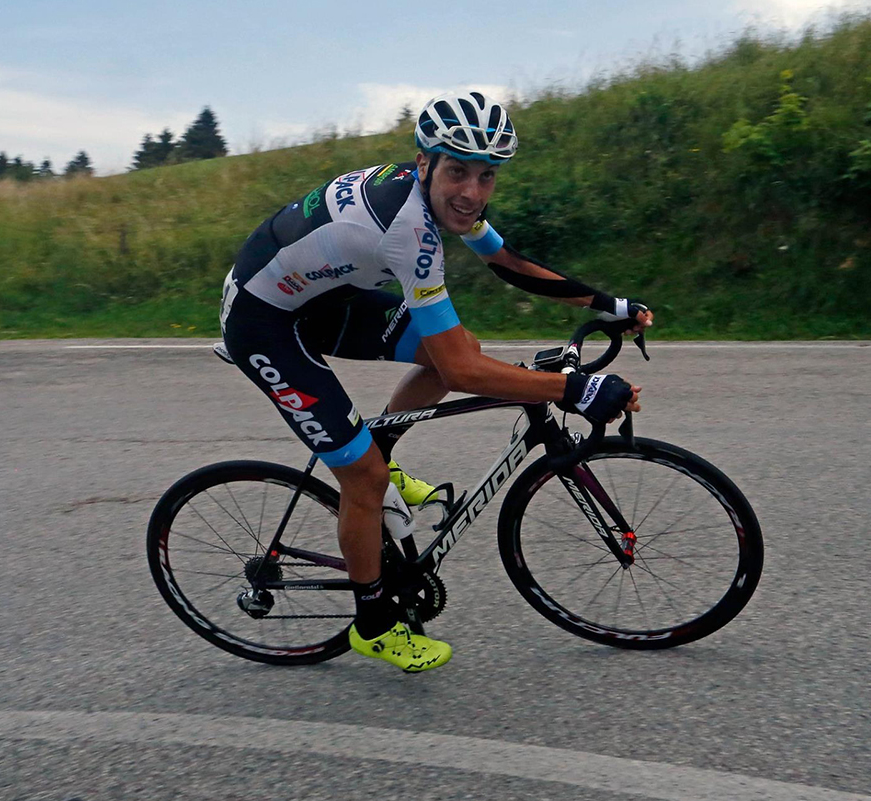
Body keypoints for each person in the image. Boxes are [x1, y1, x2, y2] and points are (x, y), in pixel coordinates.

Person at [217, 91, 651, 672]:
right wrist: (576, 391)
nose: (471, 192)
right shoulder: (410, 231)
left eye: (485, 176)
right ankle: (373, 623)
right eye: (457, 172)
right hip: (264, 322)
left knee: (457, 345)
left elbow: (506, 263)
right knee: (362, 474)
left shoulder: (433, 199)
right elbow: (460, 376)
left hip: (320, 299)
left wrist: (609, 303)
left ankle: (385, 453)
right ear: (425, 163)